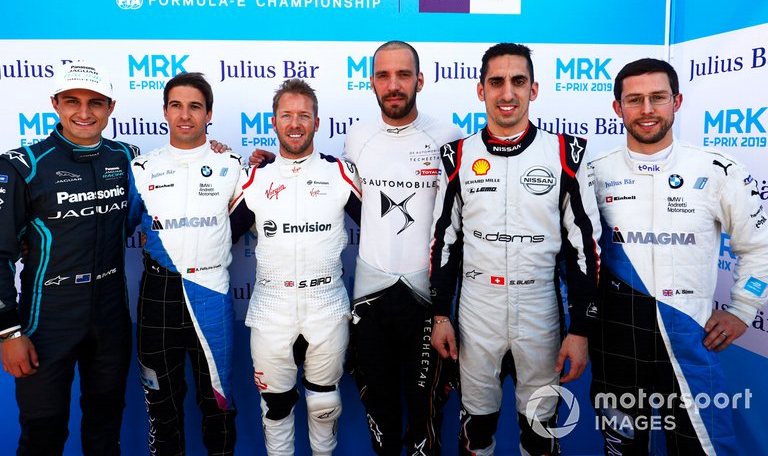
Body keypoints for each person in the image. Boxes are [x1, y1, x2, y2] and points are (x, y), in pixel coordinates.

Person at [588, 58, 768, 455]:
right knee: (621, 449)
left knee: (702, 448)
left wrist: (743, 308)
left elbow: (761, 247)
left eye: (658, 98)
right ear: (617, 108)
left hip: (690, 339)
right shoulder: (593, 173)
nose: (647, 110)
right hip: (616, 341)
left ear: (677, 101)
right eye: (634, 100)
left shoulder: (718, 170)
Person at [429, 43, 601, 456]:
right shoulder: (456, 156)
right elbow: (444, 242)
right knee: (477, 429)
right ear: (480, 90)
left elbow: (585, 251)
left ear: (534, 90)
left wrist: (580, 330)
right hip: (476, 308)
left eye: (518, 82)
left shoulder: (566, 153)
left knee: (540, 433)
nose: (507, 93)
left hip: (540, 306)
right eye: (497, 82)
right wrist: (439, 313)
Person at [0, 61, 139, 455]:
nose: (84, 113)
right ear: (55, 103)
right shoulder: (21, 165)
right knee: (43, 435)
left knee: (105, 430)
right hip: (47, 317)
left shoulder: (127, 158)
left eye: (95, 103)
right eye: (72, 101)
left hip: (111, 313)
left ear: (111, 107)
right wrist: (9, 332)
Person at [230, 78, 362, 456]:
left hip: (327, 303)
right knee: (276, 407)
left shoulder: (340, 174)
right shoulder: (254, 177)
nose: (295, 123)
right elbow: (219, 239)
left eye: (304, 115)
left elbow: (384, 232)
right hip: (271, 304)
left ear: (317, 123)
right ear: (273, 122)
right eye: (286, 115)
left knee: (324, 406)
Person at [346, 40, 461, 455]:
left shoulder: (449, 138)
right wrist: (270, 163)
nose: (393, 85)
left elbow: (458, 224)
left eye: (403, 75)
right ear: (372, 83)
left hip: (426, 299)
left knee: (426, 411)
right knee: (379, 411)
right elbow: (331, 187)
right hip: (370, 297)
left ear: (420, 80)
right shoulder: (357, 137)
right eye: (383, 75)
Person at [127, 72, 241, 455]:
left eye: (195, 106)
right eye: (176, 105)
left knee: (218, 407)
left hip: (211, 294)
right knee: (162, 409)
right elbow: (115, 226)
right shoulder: (141, 168)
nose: (185, 115)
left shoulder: (234, 165)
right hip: (158, 295)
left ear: (209, 113)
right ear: (165, 111)